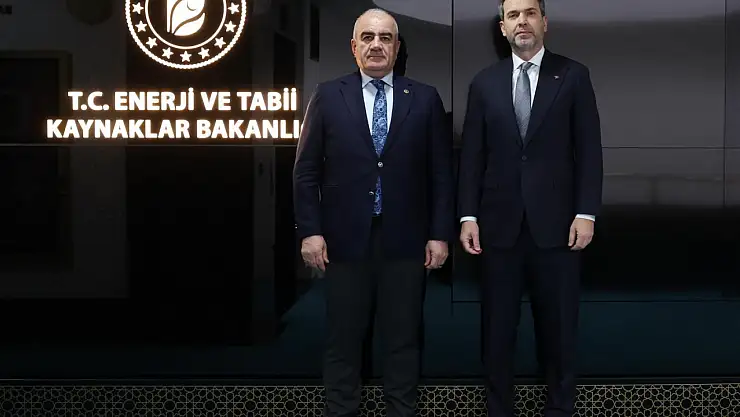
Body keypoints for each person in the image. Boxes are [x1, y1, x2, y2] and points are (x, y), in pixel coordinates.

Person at [293, 8, 454, 417]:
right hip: (344, 242)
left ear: (397, 47)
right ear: (354, 47)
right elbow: (306, 170)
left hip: (406, 242)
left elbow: (441, 173)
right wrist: (310, 230)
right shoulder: (328, 96)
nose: (376, 45)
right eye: (368, 37)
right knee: (343, 339)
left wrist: (439, 233)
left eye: (385, 38)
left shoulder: (425, 98)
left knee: (403, 340)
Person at [457, 0, 603, 416]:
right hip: (497, 229)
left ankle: (560, 409)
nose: (522, 21)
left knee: (559, 332)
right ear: (502, 28)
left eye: (530, 13)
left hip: (558, 229)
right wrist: (468, 215)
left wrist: (586, 213)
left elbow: (589, 150)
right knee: (497, 333)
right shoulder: (484, 83)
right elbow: (472, 156)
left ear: (544, 23)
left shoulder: (573, 75)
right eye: (513, 15)